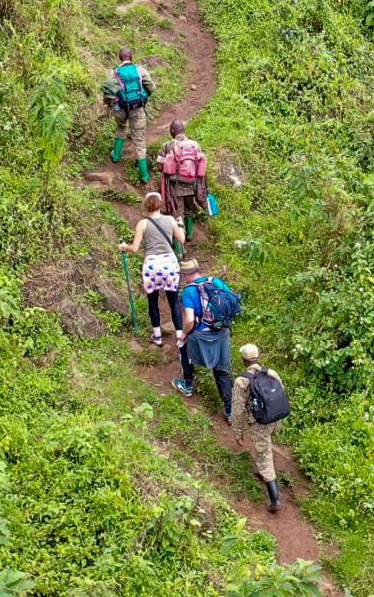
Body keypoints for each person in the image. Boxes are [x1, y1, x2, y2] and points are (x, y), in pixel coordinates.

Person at [118, 192, 185, 346]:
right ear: (160, 204)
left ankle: (157, 336)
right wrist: (180, 225)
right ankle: (180, 336)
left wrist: (124, 247)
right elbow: (181, 240)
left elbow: (134, 248)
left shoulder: (143, 224)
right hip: (169, 263)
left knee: (152, 301)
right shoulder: (170, 220)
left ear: (146, 206)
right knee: (173, 300)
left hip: (152, 266)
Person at [172, 269, 239, 416]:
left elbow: (190, 320)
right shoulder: (217, 281)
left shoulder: (188, 291)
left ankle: (188, 385)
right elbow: (233, 300)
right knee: (222, 370)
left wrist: (183, 334)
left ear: (186, 275)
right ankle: (230, 411)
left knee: (183, 346)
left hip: (201, 336)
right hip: (221, 333)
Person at [231, 344, 288, 513]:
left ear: (244, 360)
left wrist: (237, 432)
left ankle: (274, 499)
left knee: (265, 455)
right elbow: (281, 394)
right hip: (275, 418)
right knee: (264, 447)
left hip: (259, 423)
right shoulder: (271, 373)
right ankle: (259, 469)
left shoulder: (241, 381)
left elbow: (238, 409)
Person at [103, 48, 153, 182]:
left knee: (121, 127)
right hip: (137, 108)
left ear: (119, 58)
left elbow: (108, 91)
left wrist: (111, 104)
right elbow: (151, 86)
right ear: (132, 57)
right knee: (139, 140)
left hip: (120, 108)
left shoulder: (114, 73)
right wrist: (142, 97)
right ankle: (144, 175)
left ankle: (116, 155)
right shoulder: (140, 70)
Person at [156, 120, 207, 240]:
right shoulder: (195, 145)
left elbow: (159, 166)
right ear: (183, 130)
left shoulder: (167, 145)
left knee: (177, 213)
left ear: (173, 131)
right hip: (193, 184)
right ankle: (189, 234)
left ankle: (179, 249)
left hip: (175, 185)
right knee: (189, 207)